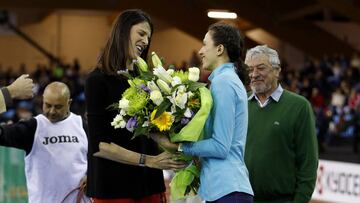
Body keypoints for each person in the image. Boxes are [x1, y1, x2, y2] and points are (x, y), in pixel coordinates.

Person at [85, 9, 185, 203]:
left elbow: (151, 131)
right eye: (141, 33)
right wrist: (149, 160)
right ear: (122, 31)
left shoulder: (149, 80)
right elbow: (100, 146)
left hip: (149, 185)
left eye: (149, 37)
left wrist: (180, 149)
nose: (146, 41)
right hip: (113, 188)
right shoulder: (97, 80)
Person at [151, 23, 254, 203]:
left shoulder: (224, 82)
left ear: (220, 49)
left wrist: (180, 146)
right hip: (226, 188)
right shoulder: (226, 81)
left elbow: (220, 147)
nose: (200, 51)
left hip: (227, 189)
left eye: (205, 44)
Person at [244, 45, 318, 203]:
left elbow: (308, 163)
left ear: (277, 70)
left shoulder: (299, 106)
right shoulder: (239, 103)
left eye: (261, 68)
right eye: (250, 69)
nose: (254, 74)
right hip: (241, 198)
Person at [0, 81, 88, 202]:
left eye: (58, 107)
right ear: (42, 100)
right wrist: (6, 94)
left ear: (69, 103)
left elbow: (97, 160)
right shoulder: (33, 128)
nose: (52, 111)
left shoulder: (82, 125)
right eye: (48, 105)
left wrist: (91, 177)